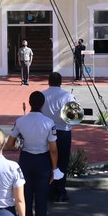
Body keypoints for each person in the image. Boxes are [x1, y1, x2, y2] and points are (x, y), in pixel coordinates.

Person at [5, 91, 58, 216]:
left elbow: (9, 144)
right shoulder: (49, 122)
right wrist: (54, 169)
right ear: (42, 104)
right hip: (43, 160)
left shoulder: (21, 121)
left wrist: (19, 146)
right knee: (41, 199)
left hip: (26, 159)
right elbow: (53, 148)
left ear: (29, 103)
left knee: (26, 197)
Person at [40, 72, 76, 203]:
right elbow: (74, 115)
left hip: (46, 132)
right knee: (62, 163)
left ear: (49, 81)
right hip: (63, 131)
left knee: (48, 162)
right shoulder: (67, 96)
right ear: (61, 82)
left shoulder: (42, 95)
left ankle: (49, 190)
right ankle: (60, 192)